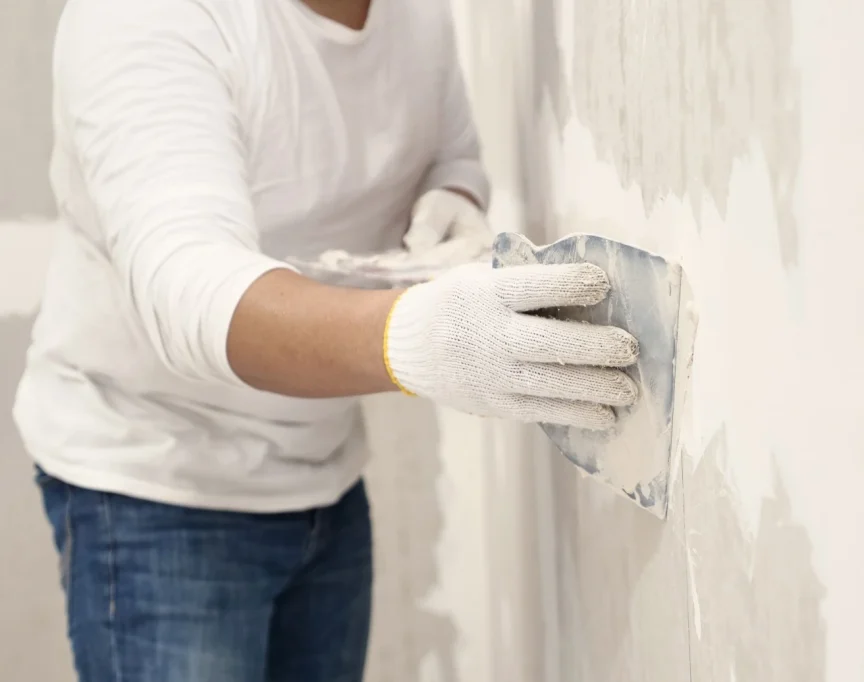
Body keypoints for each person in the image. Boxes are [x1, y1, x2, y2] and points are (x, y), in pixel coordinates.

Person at [12, 0, 639, 680]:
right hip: (157, 483)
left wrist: (453, 199)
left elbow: (448, 154)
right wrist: (418, 337)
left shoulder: (415, 15)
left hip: (323, 473)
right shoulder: (150, 18)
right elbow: (188, 292)